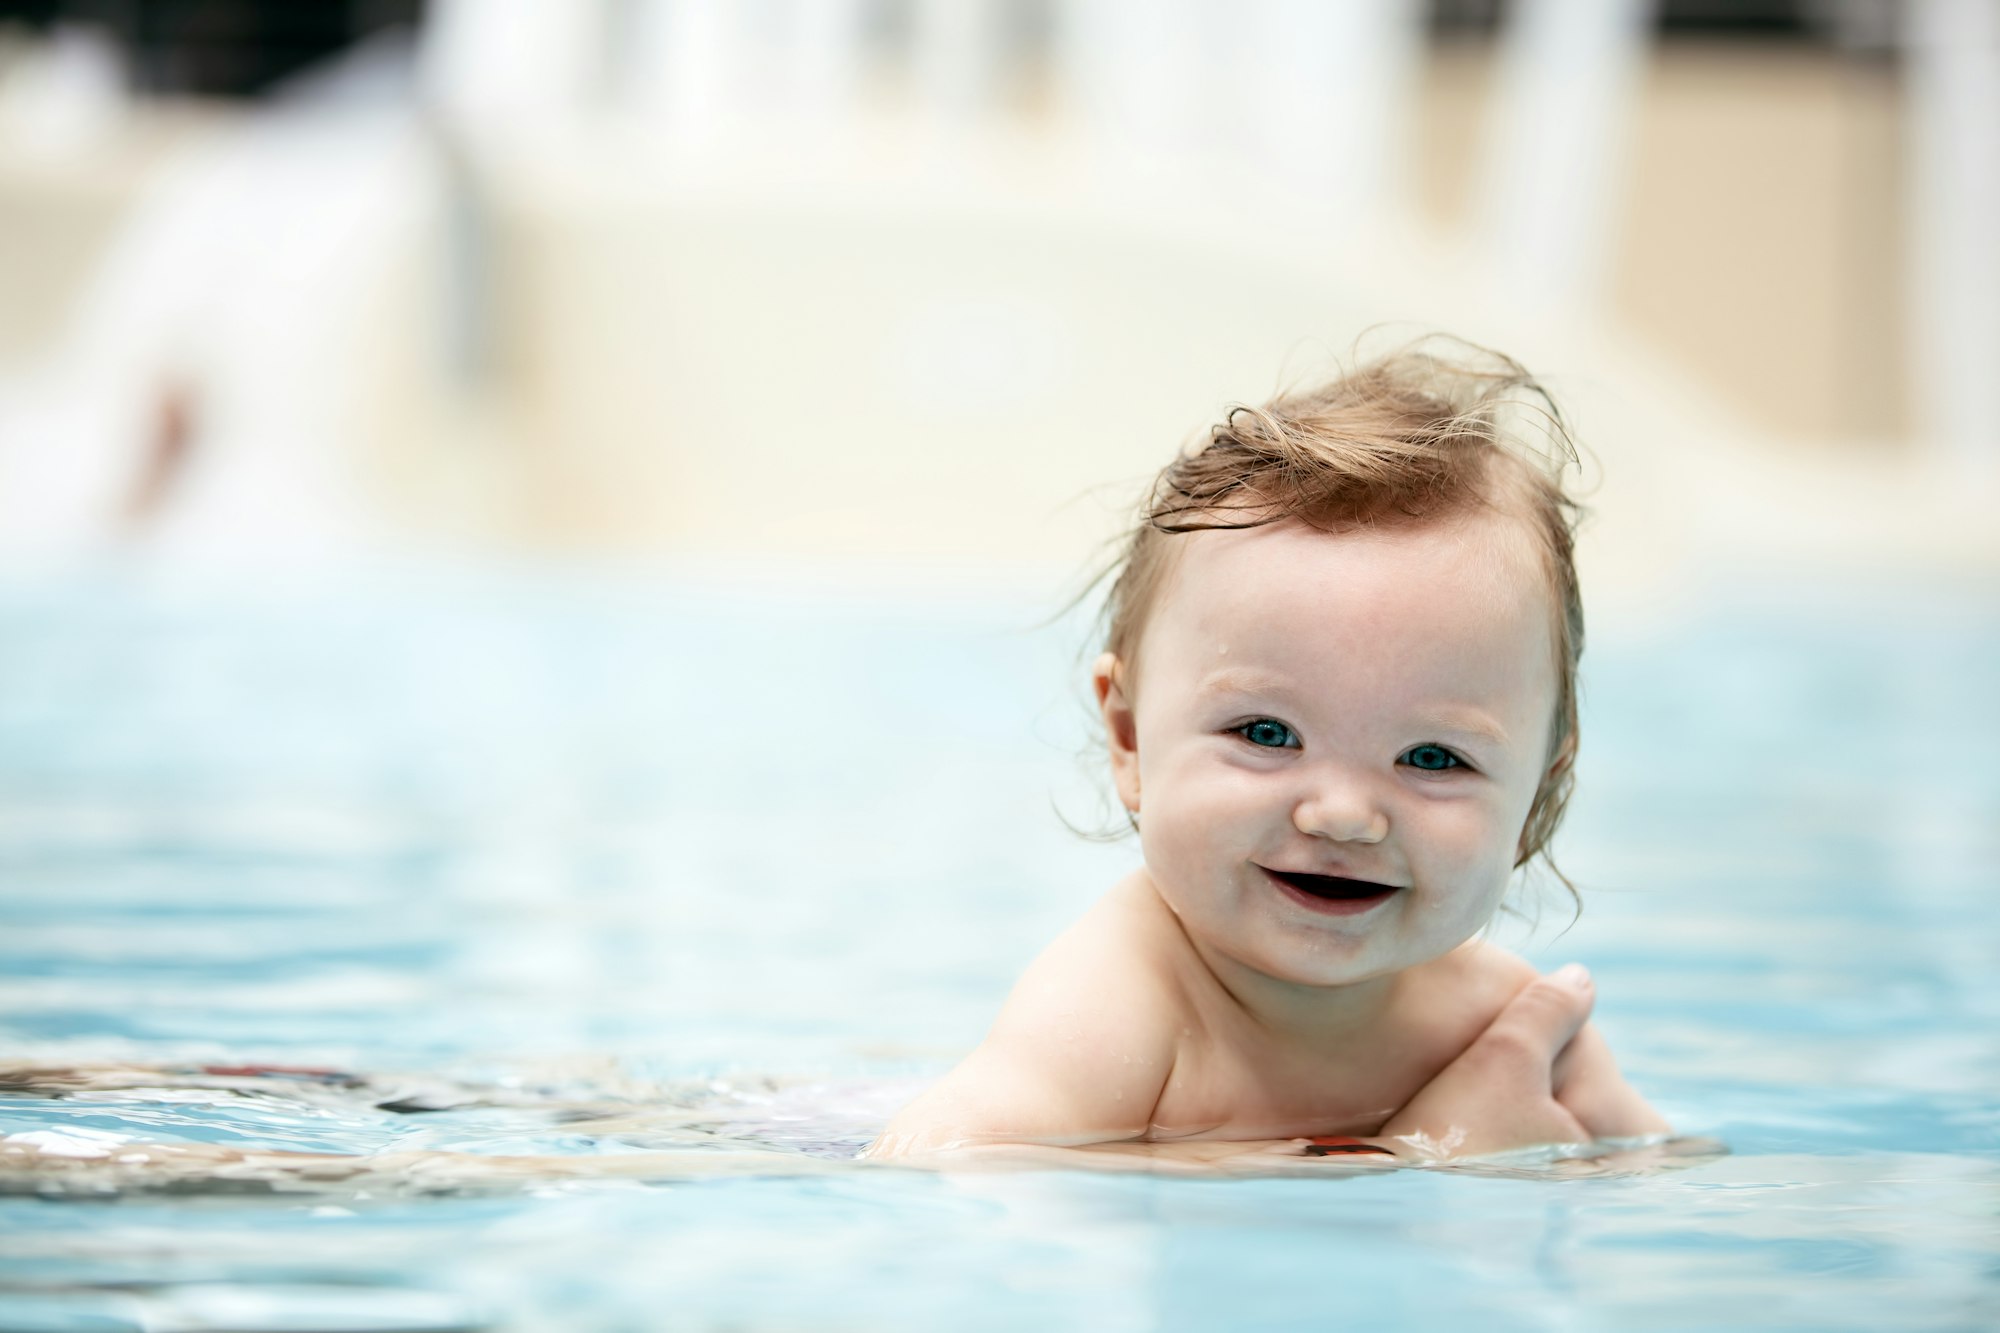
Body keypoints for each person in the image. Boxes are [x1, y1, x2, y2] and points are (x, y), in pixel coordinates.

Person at [868, 339, 1672, 1169]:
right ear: (1132, 739)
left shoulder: (1502, 1027)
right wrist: (1419, 1152)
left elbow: (1663, 1175)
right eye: (1265, 734)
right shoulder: (1124, 1007)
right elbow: (931, 1163)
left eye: (1433, 757)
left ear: (1539, 794)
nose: (1345, 815)